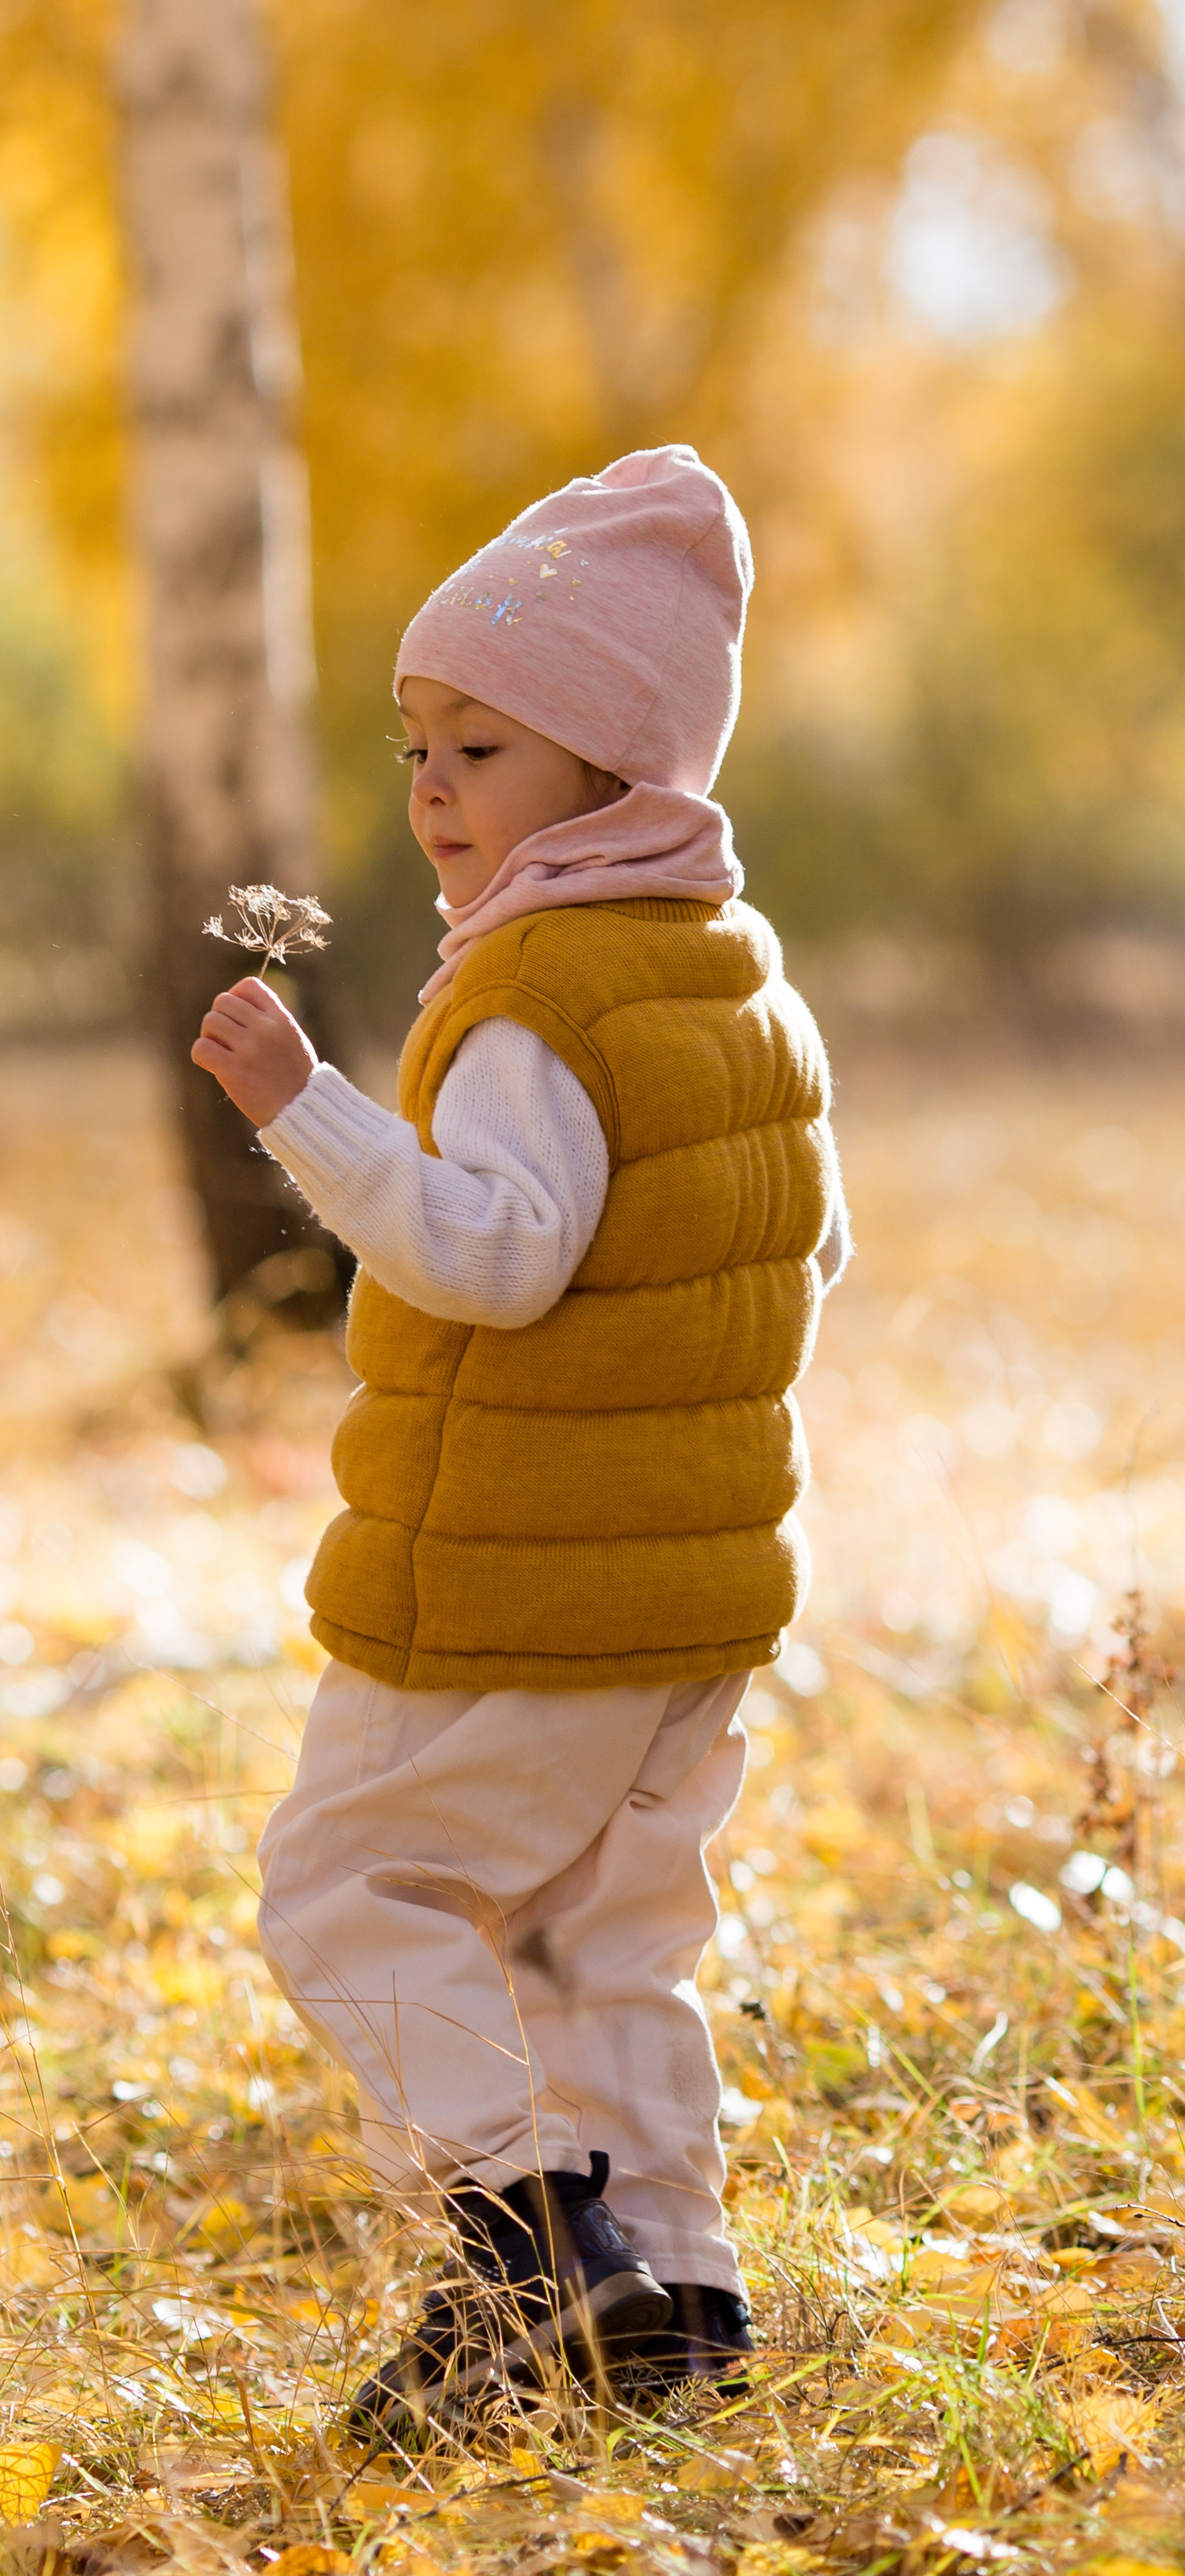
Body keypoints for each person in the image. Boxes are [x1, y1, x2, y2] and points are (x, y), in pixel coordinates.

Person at [191, 446, 848, 2441]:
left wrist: (311, 1110)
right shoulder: (742, 980)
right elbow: (805, 1244)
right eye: (417, 746)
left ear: (616, 773)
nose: (431, 792)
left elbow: (491, 1253)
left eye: (481, 746)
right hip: (695, 1596)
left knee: (345, 1881)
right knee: (602, 1941)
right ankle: (679, 2318)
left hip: (520, 1589)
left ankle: (530, 2245)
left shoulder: (537, 1002)